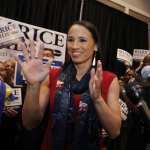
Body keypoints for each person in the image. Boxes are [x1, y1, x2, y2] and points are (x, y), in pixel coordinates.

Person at [18, 20, 121, 150]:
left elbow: (114, 131)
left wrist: (98, 99)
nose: (74, 46)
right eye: (70, 40)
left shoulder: (109, 79)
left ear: (95, 46)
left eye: (82, 40)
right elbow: (29, 123)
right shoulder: (52, 75)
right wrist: (33, 86)